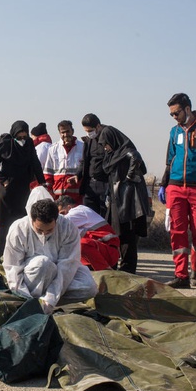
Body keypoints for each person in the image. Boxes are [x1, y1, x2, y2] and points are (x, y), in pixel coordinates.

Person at [3, 190, 97, 314]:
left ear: (56, 220)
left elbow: (67, 266)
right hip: (32, 276)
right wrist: (23, 297)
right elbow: (13, 267)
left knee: (89, 287)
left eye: (49, 230)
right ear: (32, 219)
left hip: (59, 273)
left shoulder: (67, 228)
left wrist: (50, 299)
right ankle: (32, 302)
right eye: (40, 230)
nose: (44, 234)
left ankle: (44, 302)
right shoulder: (19, 229)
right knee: (43, 263)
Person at [158, 93, 196, 288]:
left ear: (187, 109)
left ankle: (195, 270)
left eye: (176, 113)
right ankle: (181, 275)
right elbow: (169, 158)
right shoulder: (174, 131)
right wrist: (164, 184)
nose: (174, 117)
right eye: (171, 114)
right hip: (176, 187)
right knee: (177, 231)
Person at [0, 121, 46, 263]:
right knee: (5, 225)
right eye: (19, 136)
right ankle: (2, 257)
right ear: (14, 133)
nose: (22, 139)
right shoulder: (6, 145)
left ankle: (18, 257)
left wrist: (42, 181)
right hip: (7, 192)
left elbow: (35, 163)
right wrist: (4, 180)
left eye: (24, 136)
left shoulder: (29, 145)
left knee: (22, 224)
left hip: (23, 191)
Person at [99, 121, 150, 274]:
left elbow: (135, 157)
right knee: (115, 234)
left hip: (128, 201)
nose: (105, 147)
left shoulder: (126, 151)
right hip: (116, 200)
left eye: (106, 143)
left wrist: (129, 175)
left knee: (127, 236)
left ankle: (128, 269)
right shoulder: (112, 155)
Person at [56, 196, 120, 271]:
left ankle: (105, 270)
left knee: (82, 243)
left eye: (62, 213)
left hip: (108, 252)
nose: (62, 215)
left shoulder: (78, 211)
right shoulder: (81, 213)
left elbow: (59, 223)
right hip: (100, 251)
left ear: (69, 207)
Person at [77, 114, 109, 218]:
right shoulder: (88, 141)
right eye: (86, 131)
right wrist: (78, 175)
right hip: (90, 184)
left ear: (98, 126)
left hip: (104, 184)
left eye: (90, 131)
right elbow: (84, 161)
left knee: (104, 216)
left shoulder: (108, 139)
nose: (89, 134)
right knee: (88, 216)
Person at [44, 120, 83, 203]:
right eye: (62, 132)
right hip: (58, 197)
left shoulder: (83, 147)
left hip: (77, 197)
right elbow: (48, 174)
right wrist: (50, 193)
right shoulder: (53, 149)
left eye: (68, 131)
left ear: (72, 131)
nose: (65, 135)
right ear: (59, 133)